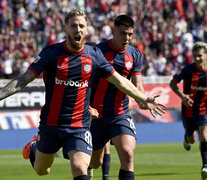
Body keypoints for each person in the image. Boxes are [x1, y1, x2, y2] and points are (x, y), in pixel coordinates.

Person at [0, 9, 165, 180]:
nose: (77, 29)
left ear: (87, 30)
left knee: (80, 168)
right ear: (65, 29)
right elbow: (22, 80)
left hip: (79, 125)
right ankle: (34, 146)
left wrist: (143, 98)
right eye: (73, 26)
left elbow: (120, 80)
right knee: (42, 170)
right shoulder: (51, 53)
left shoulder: (94, 56)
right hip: (51, 124)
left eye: (81, 26)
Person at [88, 14, 158, 180]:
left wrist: (142, 99)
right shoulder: (98, 51)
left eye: (130, 34)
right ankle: (90, 166)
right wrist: (87, 107)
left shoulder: (134, 54)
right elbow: (87, 83)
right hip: (96, 115)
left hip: (119, 112)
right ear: (114, 31)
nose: (126, 38)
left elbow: (137, 83)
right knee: (96, 162)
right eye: (122, 33)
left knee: (127, 153)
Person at [169, 41, 207, 180]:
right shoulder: (187, 70)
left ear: (206, 56)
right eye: (195, 56)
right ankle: (187, 137)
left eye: (200, 56)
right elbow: (172, 83)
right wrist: (182, 96)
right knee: (191, 139)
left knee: (204, 136)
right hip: (188, 111)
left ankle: (205, 166)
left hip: (203, 111)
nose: (197, 59)